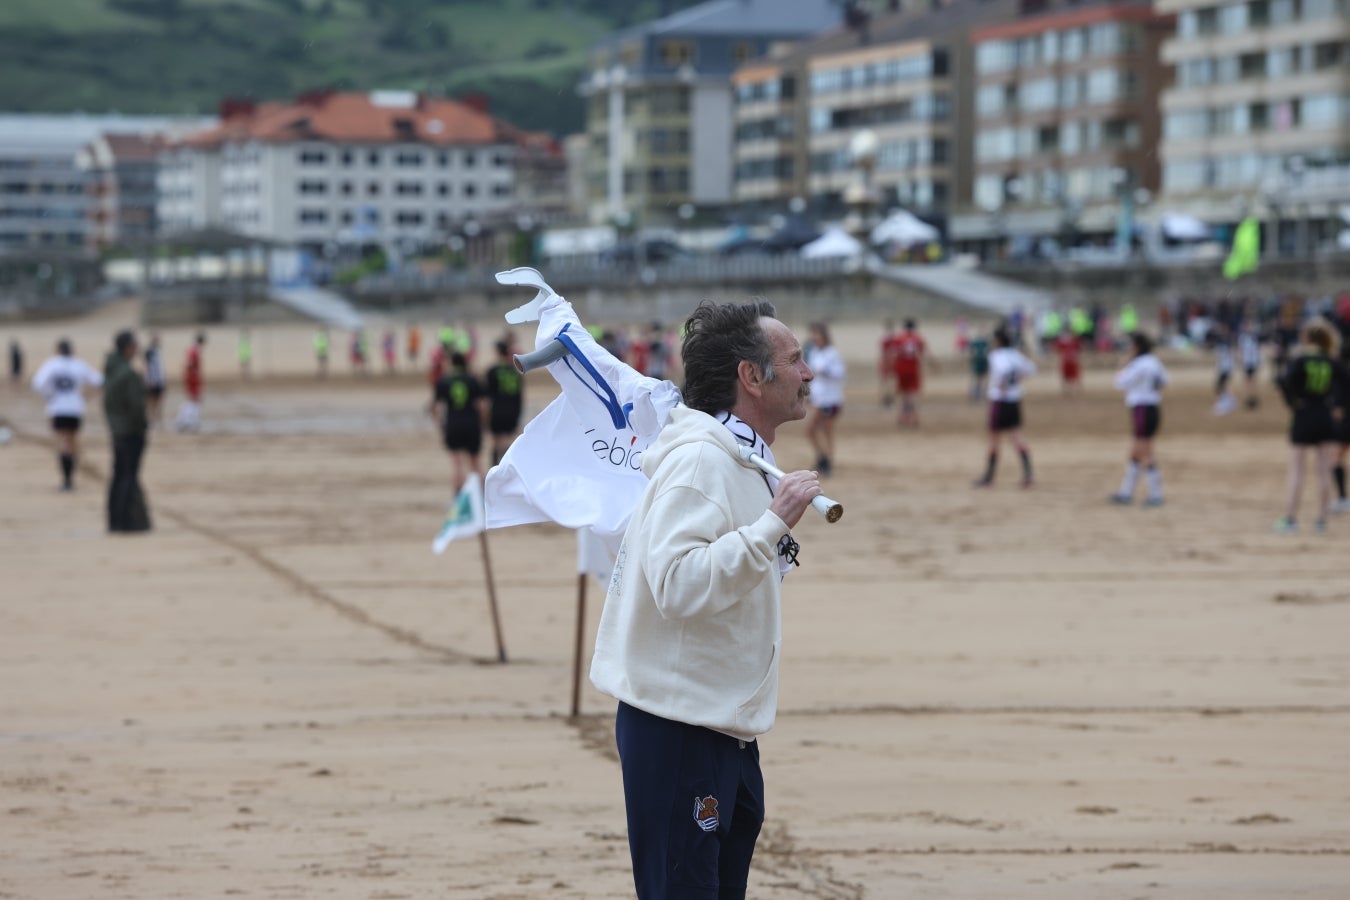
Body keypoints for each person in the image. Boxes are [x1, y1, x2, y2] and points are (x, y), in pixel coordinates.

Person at [589, 300, 821, 900]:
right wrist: (772, 526)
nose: (808, 373)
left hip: (725, 730)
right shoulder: (699, 461)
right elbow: (676, 583)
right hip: (679, 727)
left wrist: (770, 534)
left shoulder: (745, 459)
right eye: (794, 360)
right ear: (751, 377)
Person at [1271, 317, 1348, 534]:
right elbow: (1346, 384)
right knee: (1324, 471)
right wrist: (1337, 404)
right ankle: (1322, 520)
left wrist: (1293, 402)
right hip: (1325, 415)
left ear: (1307, 338)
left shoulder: (1301, 360)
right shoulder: (1331, 361)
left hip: (1303, 416)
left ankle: (1291, 519)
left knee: (1297, 470)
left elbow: (1284, 381)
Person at [30, 337, 103, 491]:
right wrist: (86, 396)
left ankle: (66, 479)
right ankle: (71, 477)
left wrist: (50, 396)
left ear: (58, 350)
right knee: (73, 441)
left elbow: (38, 383)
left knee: (62, 441)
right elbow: (99, 381)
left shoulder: (52, 364)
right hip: (75, 408)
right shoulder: (79, 364)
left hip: (58, 407)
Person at [1108, 332, 1169, 507]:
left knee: (1144, 453)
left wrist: (1124, 364)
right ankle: (1126, 493)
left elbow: (1120, 383)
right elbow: (1164, 381)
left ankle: (1156, 495)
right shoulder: (1154, 362)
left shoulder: (1138, 364)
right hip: (1152, 407)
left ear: (1137, 347)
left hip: (1141, 408)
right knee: (1136, 452)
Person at [974, 327, 1036, 488]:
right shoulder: (1015, 355)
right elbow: (1031, 368)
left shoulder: (996, 355)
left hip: (1000, 401)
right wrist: (1016, 380)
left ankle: (989, 476)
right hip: (1014, 400)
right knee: (1016, 436)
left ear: (998, 341)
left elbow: (1003, 371)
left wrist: (1003, 384)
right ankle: (1028, 474)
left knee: (994, 439)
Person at [103, 330, 151, 533]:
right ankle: (126, 522)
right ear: (128, 348)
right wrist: (142, 426)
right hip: (130, 433)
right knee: (128, 477)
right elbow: (137, 408)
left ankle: (115, 521)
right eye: (134, 345)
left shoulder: (111, 371)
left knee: (118, 475)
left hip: (117, 431)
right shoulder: (128, 374)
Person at [430, 351, 486, 493]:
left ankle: (458, 497)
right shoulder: (472, 379)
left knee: (457, 464)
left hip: (453, 423)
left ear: (452, 363)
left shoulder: (444, 381)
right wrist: (483, 423)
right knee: (475, 463)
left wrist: (439, 424)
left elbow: (435, 407)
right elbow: (482, 406)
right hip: (471, 423)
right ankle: (483, 497)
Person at [803, 321, 845, 476]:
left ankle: (826, 460)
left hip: (830, 399)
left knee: (824, 430)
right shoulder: (815, 352)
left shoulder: (832, 353)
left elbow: (840, 373)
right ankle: (823, 458)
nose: (814, 337)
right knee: (814, 430)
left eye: (816, 334)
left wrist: (825, 371)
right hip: (819, 398)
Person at [484, 340, 524, 466]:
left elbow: (487, 396)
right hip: (512, 409)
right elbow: (520, 395)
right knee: (509, 440)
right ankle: (508, 465)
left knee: (496, 442)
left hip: (497, 409)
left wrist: (485, 417)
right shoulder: (515, 371)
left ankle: (495, 467)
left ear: (497, 352)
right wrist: (518, 413)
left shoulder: (492, 370)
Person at [891, 318, 928, 427]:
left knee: (903, 394)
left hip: (901, 368)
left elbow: (894, 353)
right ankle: (913, 417)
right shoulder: (918, 338)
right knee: (913, 394)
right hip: (913, 368)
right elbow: (923, 353)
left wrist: (893, 367)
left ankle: (902, 417)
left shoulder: (899, 338)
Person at [175, 333, 206, 432]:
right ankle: (189, 421)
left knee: (192, 400)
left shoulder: (192, 349)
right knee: (193, 400)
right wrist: (191, 374)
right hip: (192, 379)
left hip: (191, 378)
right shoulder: (194, 351)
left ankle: (185, 421)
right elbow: (188, 364)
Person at [1238, 317, 1262, 410]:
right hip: (1248, 361)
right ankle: (1250, 397)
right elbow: (1241, 350)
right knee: (1249, 380)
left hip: (1252, 361)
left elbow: (1256, 350)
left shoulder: (1252, 337)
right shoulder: (1245, 337)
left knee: (1251, 380)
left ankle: (1252, 397)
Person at [143, 332, 166, 426]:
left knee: (159, 400)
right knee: (151, 401)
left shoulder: (158, 352)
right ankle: (151, 419)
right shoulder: (149, 352)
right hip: (152, 380)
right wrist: (148, 380)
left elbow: (160, 368)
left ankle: (159, 420)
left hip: (159, 380)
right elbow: (148, 367)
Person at [1053, 328, 1083, 397]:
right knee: (1066, 376)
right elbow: (1058, 351)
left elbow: (1078, 350)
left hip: (1072, 360)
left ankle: (1075, 390)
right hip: (1066, 361)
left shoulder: (1074, 341)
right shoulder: (1062, 342)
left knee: (1074, 375)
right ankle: (1067, 390)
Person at [967, 329, 990, 402]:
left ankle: (977, 394)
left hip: (980, 360)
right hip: (980, 360)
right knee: (980, 378)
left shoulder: (980, 341)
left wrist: (971, 359)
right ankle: (978, 394)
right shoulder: (983, 341)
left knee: (979, 378)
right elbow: (971, 351)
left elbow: (971, 351)